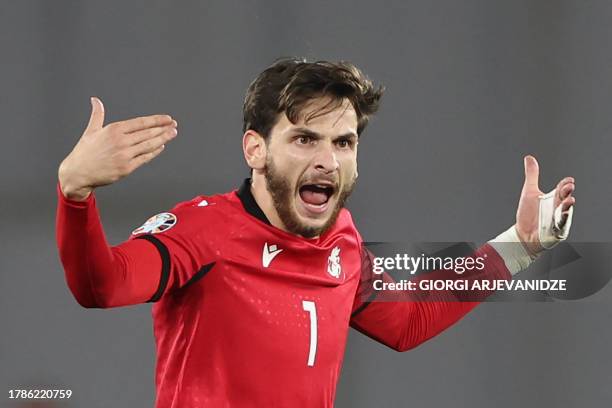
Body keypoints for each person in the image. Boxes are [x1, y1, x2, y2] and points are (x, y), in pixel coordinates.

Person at [56, 58, 576, 407]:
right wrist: (75, 195)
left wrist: (518, 247)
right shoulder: (203, 229)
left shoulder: (342, 241)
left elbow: (406, 323)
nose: (328, 160)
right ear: (255, 150)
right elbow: (101, 285)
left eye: (344, 143)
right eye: (305, 139)